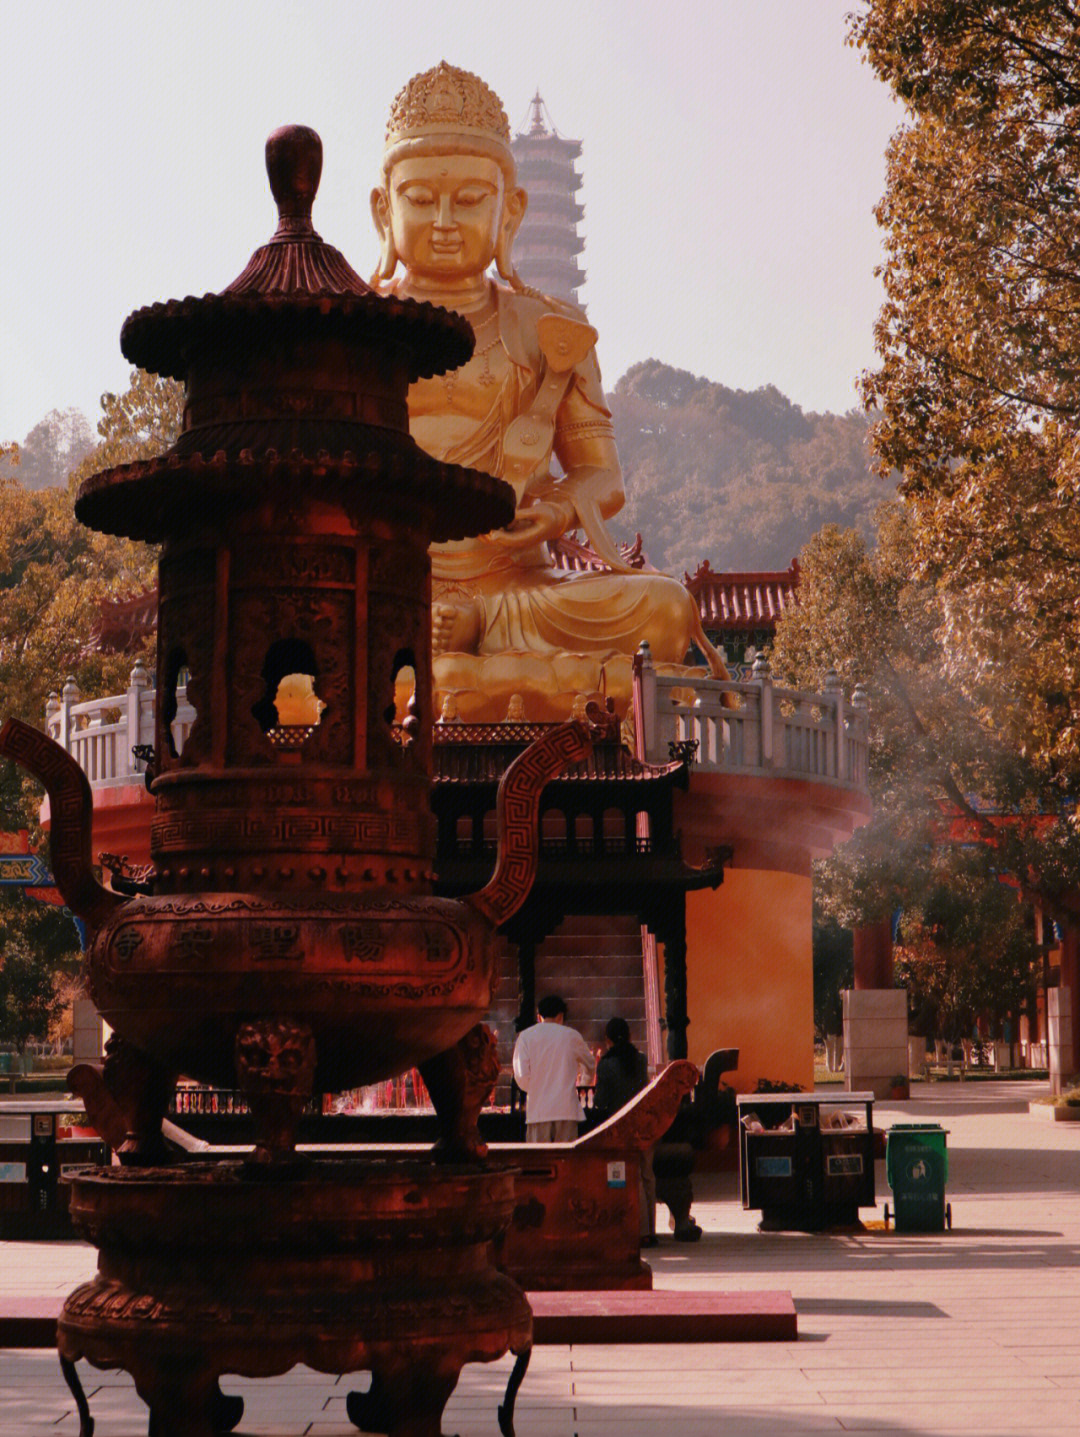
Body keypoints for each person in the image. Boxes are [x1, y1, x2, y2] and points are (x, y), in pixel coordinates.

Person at [371, 62, 727, 722]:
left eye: (470, 199)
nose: (445, 220)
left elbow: (601, 475)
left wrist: (559, 510)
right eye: (420, 199)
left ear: (511, 210)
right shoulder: (351, 328)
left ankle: (465, 643)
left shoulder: (549, 331)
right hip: (381, 588)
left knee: (664, 608)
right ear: (381, 209)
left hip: (514, 589)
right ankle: (456, 649)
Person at [594, 1016, 658, 1245]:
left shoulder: (606, 1063)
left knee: (630, 1177)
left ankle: (639, 1232)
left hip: (620, 1126)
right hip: (646, 1124)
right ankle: (651, 1229)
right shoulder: (639, 1059)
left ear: (608, 1039)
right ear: (630, 1036)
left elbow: (600, 1100)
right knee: (648, 1176)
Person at [511, 994, 596, 1142]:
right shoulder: (572, 1036)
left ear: (539, 1017)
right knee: (565, 1160)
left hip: (538, 1111)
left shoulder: (525, 1037)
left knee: (538, 1160)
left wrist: (536, 1089)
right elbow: (589, 1064)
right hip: (566, 1110)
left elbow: (521, 1075)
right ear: (561, 1016)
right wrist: (584, 1084)